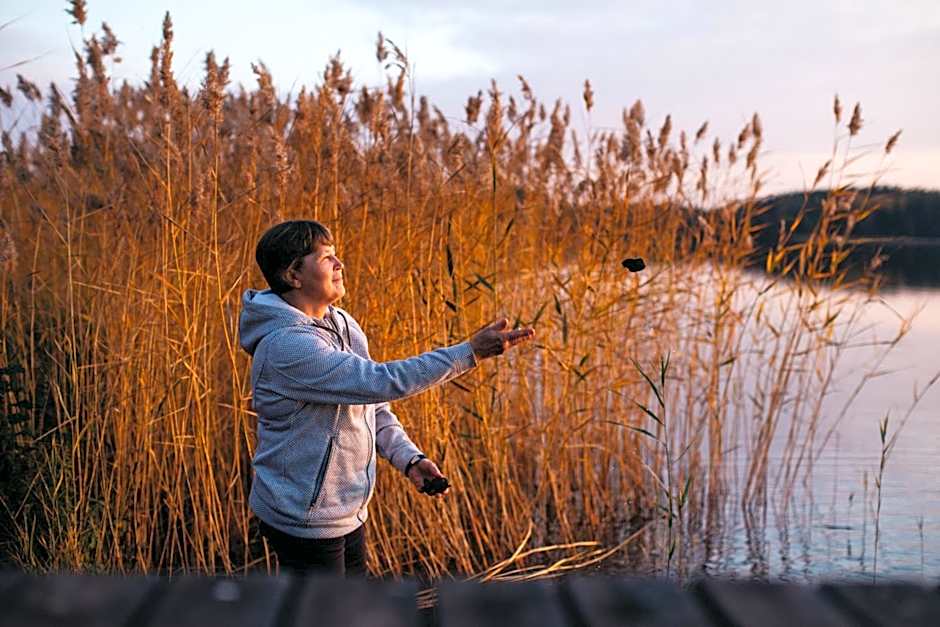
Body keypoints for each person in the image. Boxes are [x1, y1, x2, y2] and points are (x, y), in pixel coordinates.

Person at [238, 220, 535, 577]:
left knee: (351, 604)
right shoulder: (288, 346)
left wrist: (408, 458)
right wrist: (469, 352)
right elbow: (382, 382)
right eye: (326, 257)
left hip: (345, 510)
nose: (339, 264)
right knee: (326, 608)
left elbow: (371, 404)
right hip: (303, 518)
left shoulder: (342, 323)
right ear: (293, 275)